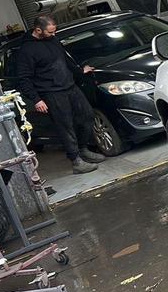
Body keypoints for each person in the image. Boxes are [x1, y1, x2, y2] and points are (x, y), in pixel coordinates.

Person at [13, 14, 107, 174]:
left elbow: (66, 61)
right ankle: (76, 161)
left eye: (54, 31)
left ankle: (83, 149)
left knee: (87, 116)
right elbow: (24, 78)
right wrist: (36, 99)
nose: (53, 35)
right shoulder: (26, 51)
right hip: (51, 93)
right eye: (50, 32)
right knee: (65, 126)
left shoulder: (53, 40)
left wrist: (79, 72)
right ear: (38, 30)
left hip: (70, 87)